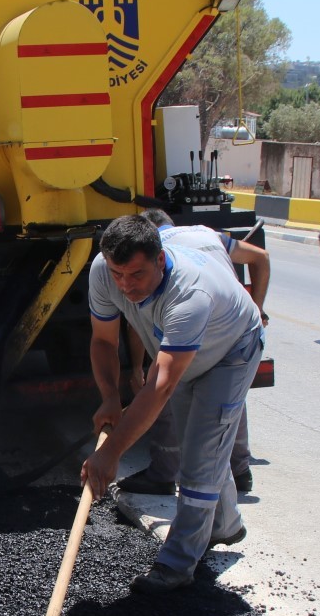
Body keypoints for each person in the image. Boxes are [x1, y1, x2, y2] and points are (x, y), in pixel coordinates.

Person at [82, 215, 265, 594]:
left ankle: (177, 565)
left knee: (199, 457)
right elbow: (102, 341)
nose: (125, 285)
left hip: (232, 349)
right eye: (118, 273)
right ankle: (226, 525)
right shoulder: (103, 271)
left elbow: (160, 385)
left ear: (160, 260)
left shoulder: (189, 295)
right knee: (198, 443)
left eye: (136, 274)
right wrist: (111, 398)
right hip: (181, 352)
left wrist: (112, 452)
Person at [117, 209, 269, 495]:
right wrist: (257, 309)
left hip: (198, 319)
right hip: (232, 327)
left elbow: (137, 324)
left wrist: (139, 369)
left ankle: (164, 472)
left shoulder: (153, 253)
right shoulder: (206, 234)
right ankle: (239, 471)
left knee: (164, 385)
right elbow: (261, 257)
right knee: (228, 401)